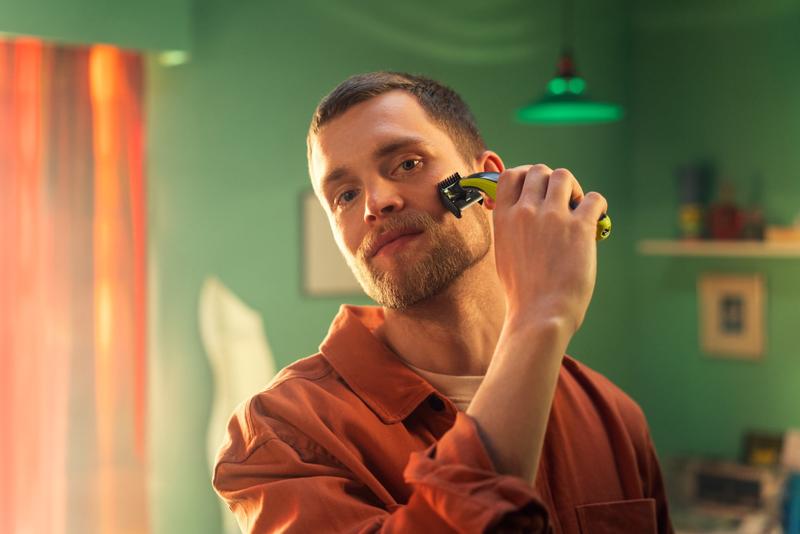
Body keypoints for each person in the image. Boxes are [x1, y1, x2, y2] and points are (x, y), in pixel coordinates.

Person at [212, 71, 673, 533]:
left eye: (407, 164)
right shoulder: (281, 437)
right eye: (345, 195)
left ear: (488, 181)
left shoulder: (614, 418)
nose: (375, 203)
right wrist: (539, 317)